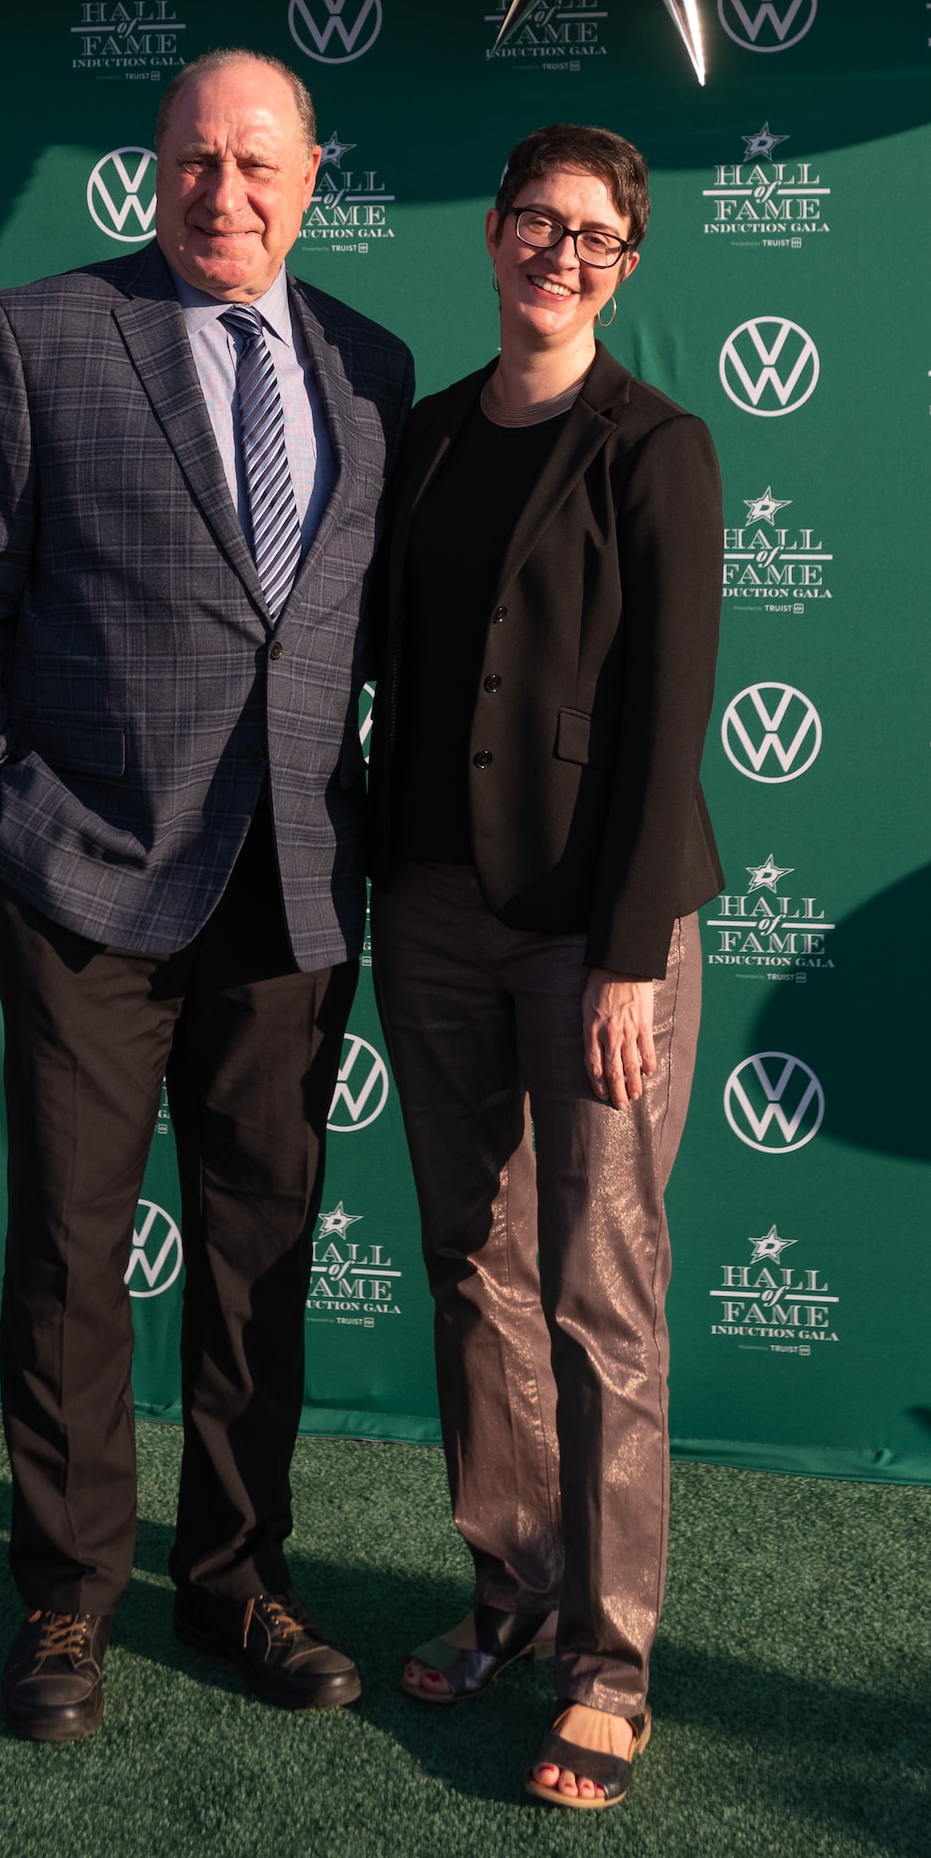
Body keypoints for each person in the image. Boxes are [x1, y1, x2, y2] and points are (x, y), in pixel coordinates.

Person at [0, 48, 413, 1742]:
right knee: (67, 1254)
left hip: (290, 888)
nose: (225, 193)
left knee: (261, 1254)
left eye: (258, 164)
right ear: (153, 168)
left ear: (312, 177)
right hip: (83, 882)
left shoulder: (372, 368)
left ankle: (236, 1577)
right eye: (196, 160)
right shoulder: (44, 334)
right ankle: (65, 1600)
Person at [369, 124, 723, 1809]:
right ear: (490, 232)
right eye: (535, 222)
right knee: (471, 1265)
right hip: (430, 911)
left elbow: (668, 720)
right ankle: (507, 1588)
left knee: (599, 1294)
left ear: (626, 264)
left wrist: (630, 959)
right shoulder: (427, 436)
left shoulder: (656, 447)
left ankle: (609, 1659)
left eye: (594, 237)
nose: (559, 255)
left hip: (596, 935)